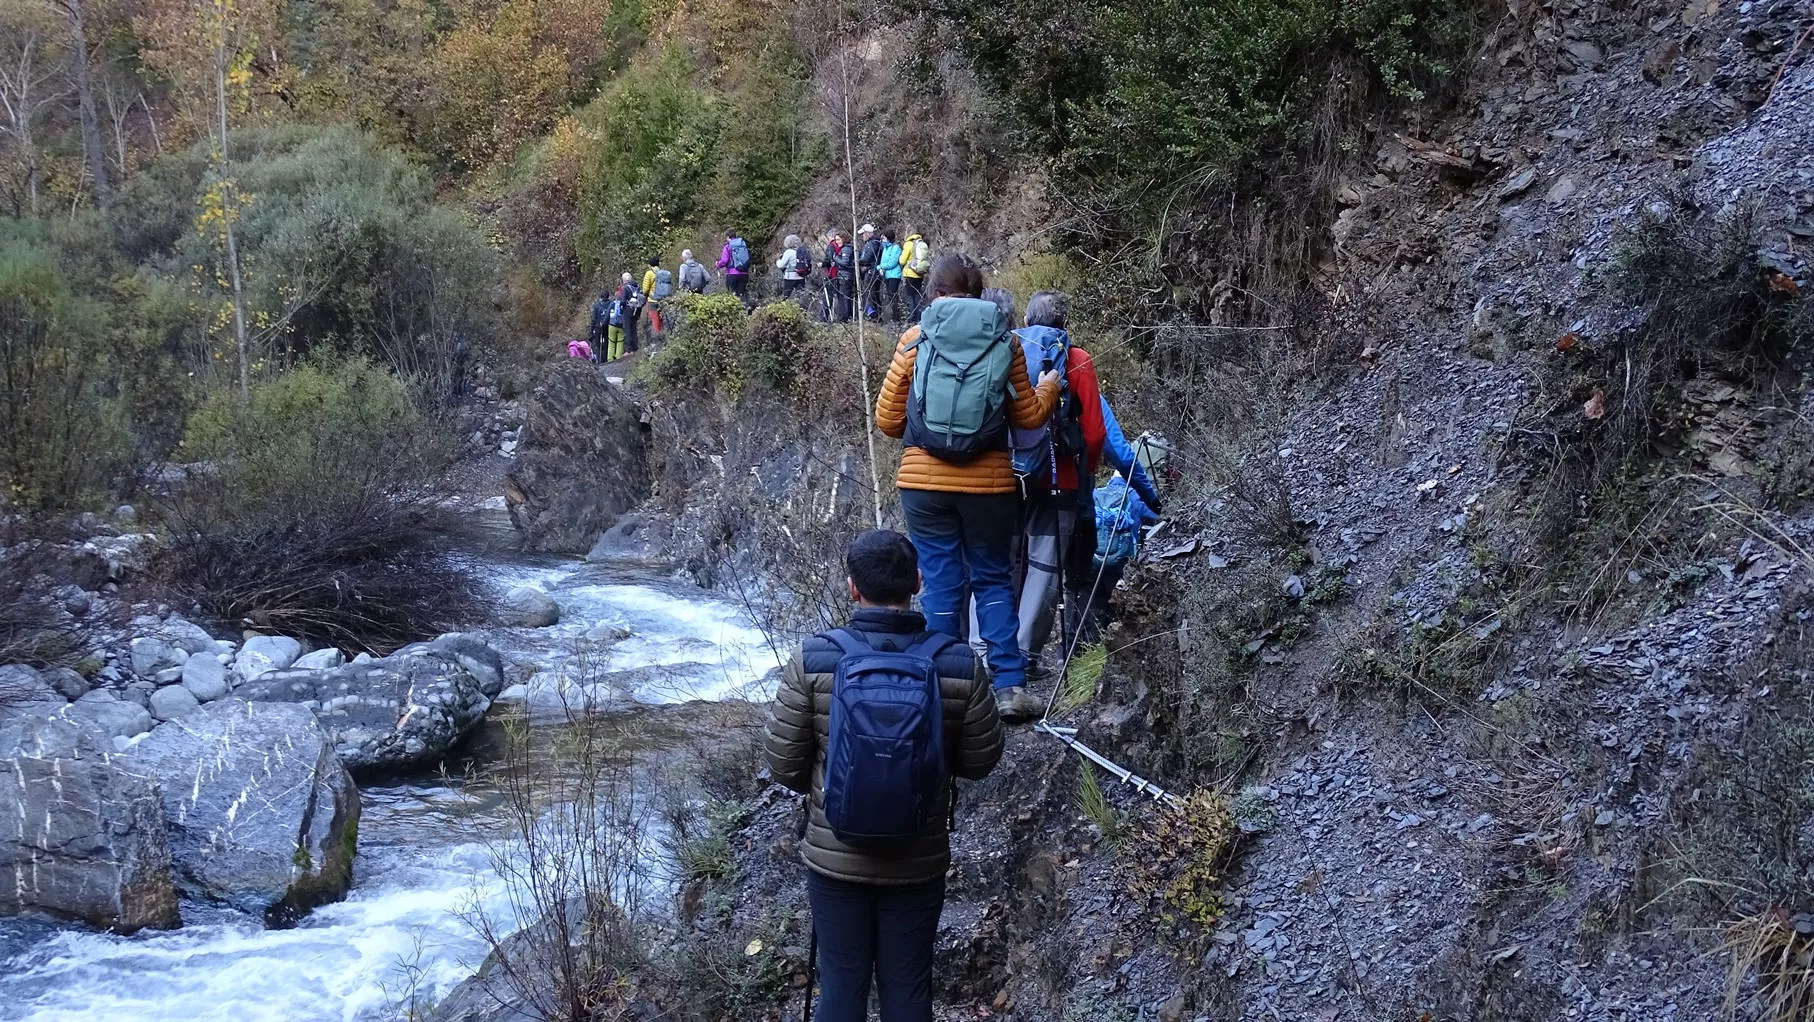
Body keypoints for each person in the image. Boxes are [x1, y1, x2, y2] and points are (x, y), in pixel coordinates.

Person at [764, 529, 1003, 1022]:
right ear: (917, 581)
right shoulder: (958, 662)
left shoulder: (815, 658)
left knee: (842, 986)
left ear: (853, 588)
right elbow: (980, 761)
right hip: (918, 857)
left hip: (835, 860)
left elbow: (784, 763)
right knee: (909, 988)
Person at [875, 254, 1061, 723]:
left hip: (923, 484)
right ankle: (1009, 688)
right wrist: (1050, 389)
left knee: (940, 583)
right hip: (990, 485)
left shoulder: (915, 340)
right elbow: (1030, 420)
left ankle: (945, 686)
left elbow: (888, 421)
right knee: (993, 580)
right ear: (980, 293)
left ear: (933, 292)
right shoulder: (1005, 341)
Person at [898, 232, 931, 322]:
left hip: (909, 273)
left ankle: (911, 319)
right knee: (917, 295)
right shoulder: (922, 243)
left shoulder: (908, 244)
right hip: (920, 273)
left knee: (910, 296)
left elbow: (902, 261)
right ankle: (919, 318)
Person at [823, 230, 855, 323]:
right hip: (844, 275)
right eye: (836, 240)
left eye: (838, 240)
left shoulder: (846, 249)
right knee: (843, 297)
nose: (836, 242)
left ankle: (844, 318)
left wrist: (835, 257)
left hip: (845, 276)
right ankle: (844, 317)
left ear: (844, 239)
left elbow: (845, 262)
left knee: (844, 297)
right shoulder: (848, 248)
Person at [718, 231, 753, 309]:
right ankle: (747, 307)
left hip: (733, 273)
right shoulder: (743, 244)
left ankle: (736, 313)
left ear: (728, 237)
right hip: (744, 273)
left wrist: (718, 264)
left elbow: (724, 261)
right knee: (741, 292)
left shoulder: (728, 246)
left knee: (732, 294)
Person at [857, 223, 884, 320]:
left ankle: (873, 314)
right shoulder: (875, 242)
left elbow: (867, 258)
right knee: (874, 293)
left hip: (871, 272)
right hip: (873, 271)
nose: (862, 236)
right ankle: (876, 314)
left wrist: (856, 262)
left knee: (870, 293)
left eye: (863, 234)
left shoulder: (872, 244)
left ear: (868, 233)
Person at [614, 271, 643, 354]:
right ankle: (635, 347)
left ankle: (628, 350)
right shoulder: (636, 286)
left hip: (627, 310)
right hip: (636, 310)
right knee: (634, 329)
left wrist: (620, 305)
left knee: (627, 329)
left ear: (623, 280)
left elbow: (623, 301)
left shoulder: (625, 288)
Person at [879, 231, 904, 323]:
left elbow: (892, 262)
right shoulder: (885, 249)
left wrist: (881, 267)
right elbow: (882, 261)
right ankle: (893, 317)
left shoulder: (896, 248)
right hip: (887, 275)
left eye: (884, 238)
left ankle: (896, 317)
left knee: (893, 296)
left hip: (894, 275)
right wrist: (880, 267)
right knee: (890, 296)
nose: (883, 241)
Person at [776, 234, 810, 300]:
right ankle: (802, 309)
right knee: (800, 297)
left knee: (785, 296)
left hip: (790, 277)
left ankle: (783, 309)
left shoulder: (788, 252)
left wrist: (778, 260)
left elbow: (780, 265)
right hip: (801, 276)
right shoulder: (802, 250)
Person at [588, 288, 612, 357]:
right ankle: (606, 358)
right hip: (608, 326)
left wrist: (591, 330)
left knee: (598, 345)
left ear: (600, 296)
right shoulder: (611, 304)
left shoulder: (596, 305)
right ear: (608, 296)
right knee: (607, 343)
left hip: (598, 326)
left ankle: (599, 360)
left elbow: (593, 319)